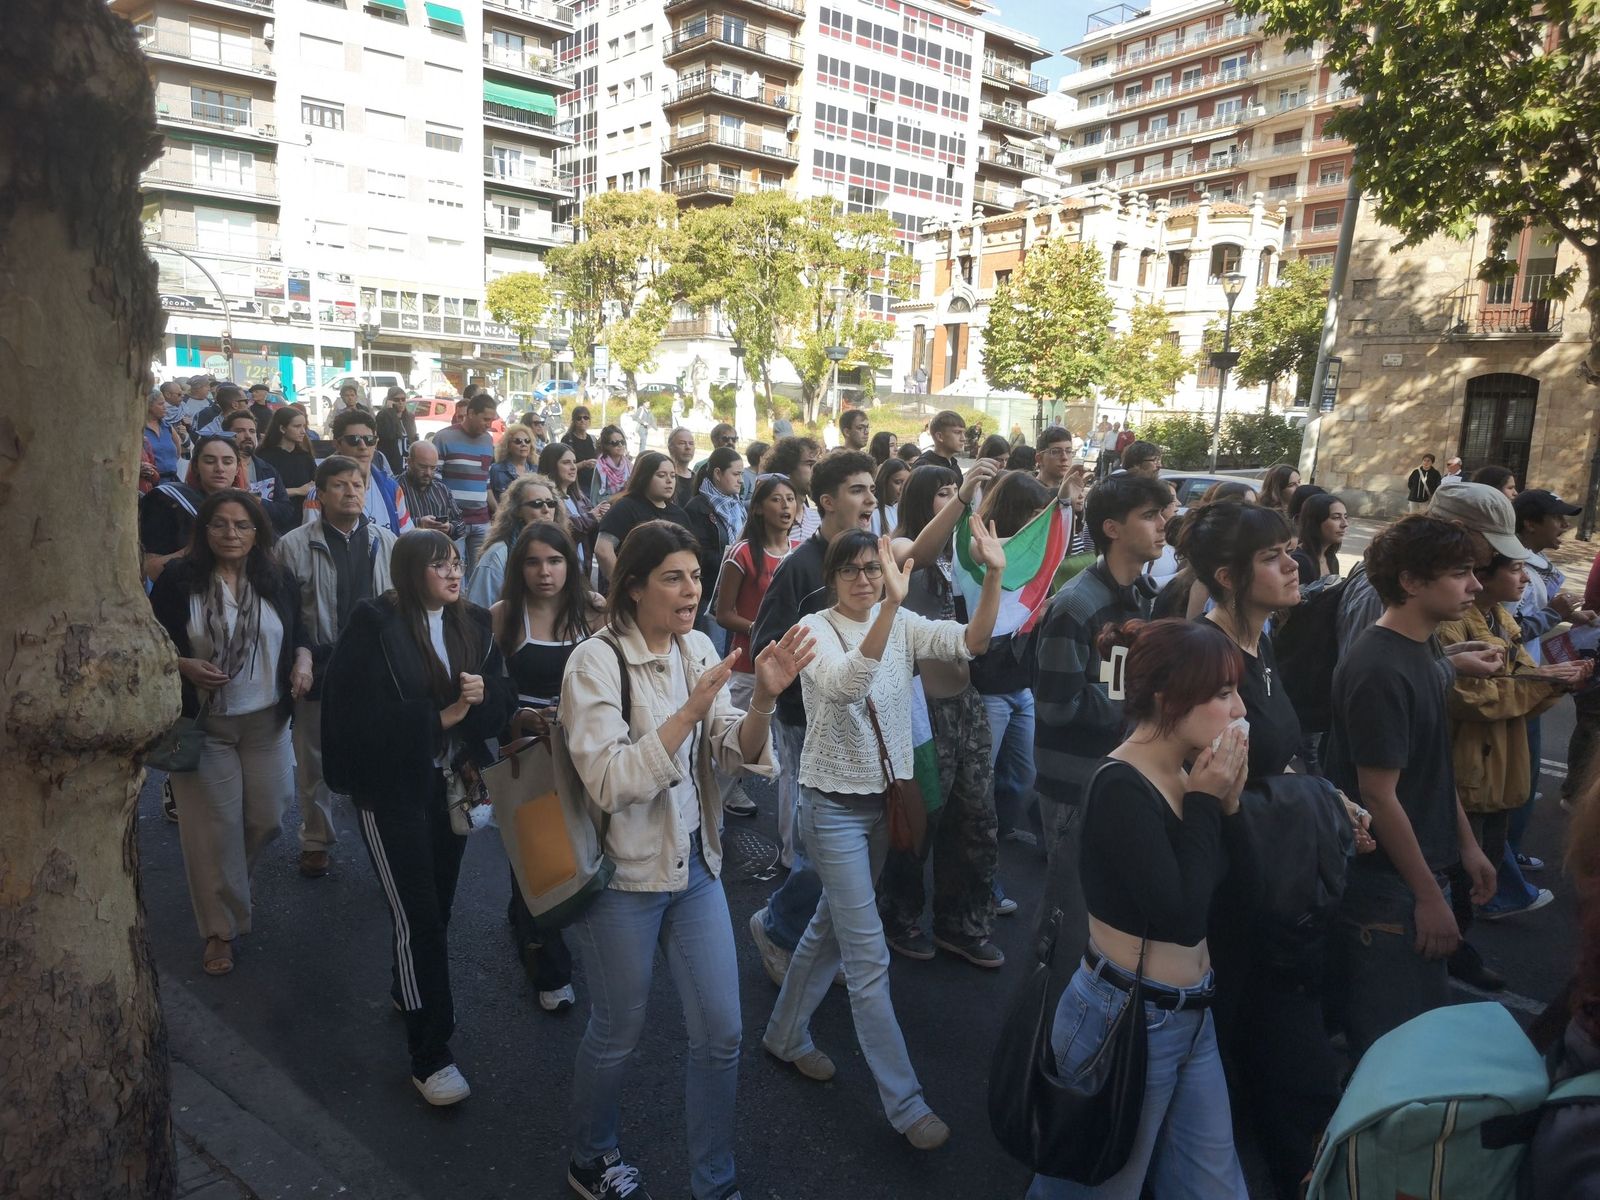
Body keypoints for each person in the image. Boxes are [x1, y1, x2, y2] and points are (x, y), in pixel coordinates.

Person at [558, 521, 811, 1200]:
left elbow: (734, 752)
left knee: (723, 1034)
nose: (691, 589)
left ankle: (715, 1182)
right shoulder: (594, 661)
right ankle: (591, 1156)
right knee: (617, 1032)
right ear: (633, 587)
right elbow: (609, 781)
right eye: (672, 577)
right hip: (622, 877)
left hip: (696, 867)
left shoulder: (698, 645)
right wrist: (690, 710)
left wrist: (761, 698)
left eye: (696, 575)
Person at [763, 524, 1005, 1149]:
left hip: (885, 807)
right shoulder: (813, 630)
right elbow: (847, 685)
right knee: (867, 956)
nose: (866, 580)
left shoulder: (902, 622)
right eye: (853, 571)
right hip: (832, 810)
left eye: (874, 568)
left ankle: (784, 1034)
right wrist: (894, 604)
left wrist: (995, 574)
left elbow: (971, 643)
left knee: (827, 926)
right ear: (832, 578)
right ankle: (906, 1104)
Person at [1025, 619, 1252, 1200]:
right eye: (1223, 694)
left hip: (1190, 1013)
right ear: (1167, 699)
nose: (1239, 710)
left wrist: (1224, 805)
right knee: (1095, 1188)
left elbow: (1240, 882)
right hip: (1123, 1017)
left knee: (1214, 1186)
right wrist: (1206, 803)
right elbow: (1179, 913)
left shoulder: (1187, 769)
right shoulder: (1121, 784)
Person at [1184, 500, 1358, 1198]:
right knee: (1236, 1039)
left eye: (1291, 549)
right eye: (1272, 556)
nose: (1295, 564)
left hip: (1276, 873)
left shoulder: (1262, 641)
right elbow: (1201, 780)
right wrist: (1313, 803)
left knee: (1273, 1044)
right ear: (1228, 576)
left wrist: (1331, 799)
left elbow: (1273, 757)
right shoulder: (1206, 659)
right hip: (1234, 886)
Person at [319, 530, 516, 1105]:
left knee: (439, 907)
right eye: (439, 566)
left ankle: (411, 990)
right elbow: (354, 720)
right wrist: (443, 715)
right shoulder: (373, 627)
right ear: (410, 573)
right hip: (392, 794)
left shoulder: (474, 623)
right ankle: (430, 1054)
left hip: (451, 789)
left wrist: (485, 700)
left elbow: (502, 699)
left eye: (457, 563)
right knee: (419, 920)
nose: (454, 575)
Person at [1326, 515, 1499, 1056]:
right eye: (1459, 573)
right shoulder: (1380, 668)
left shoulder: (1422, 651)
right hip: (1389, 887)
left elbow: (1430, 767)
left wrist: (1466, 845)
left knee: (1418, 1031)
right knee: (1391, 1048)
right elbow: (1379, 794)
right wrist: (1428, 896)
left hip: (1420, 869)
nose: (1474, 585)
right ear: (1410, 581)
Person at [149, 489, 311, 977]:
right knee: (213, 830)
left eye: (242, 525)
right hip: (204, 724)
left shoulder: (275, 576)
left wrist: (303, 660)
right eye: (219, 524)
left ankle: (226, 879)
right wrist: (182, 663)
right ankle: (220, 929)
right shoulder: (180, 579)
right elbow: (148, 640)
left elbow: (299, 633)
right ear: (204, 531)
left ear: (257, 531)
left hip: (268, 721)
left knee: (269, 815)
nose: (231, 534)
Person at [746, 453, 879, 981]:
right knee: (820, 846)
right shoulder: (801, 568)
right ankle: (778, 926)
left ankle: (816, 942)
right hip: (808, 722)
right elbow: (766, 647)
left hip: (857, 720)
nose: (871, 500)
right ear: (826, 502)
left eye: (873, 490)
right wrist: (801, 703)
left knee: (848, 845)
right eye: (857, 491)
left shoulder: (871, 557)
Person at [1032, 473, 1172, 971]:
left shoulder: (1144, 594)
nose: (1163, 526)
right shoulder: (1076, 605)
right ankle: (1044, 1029)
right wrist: (1141, 697)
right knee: (1068, 917)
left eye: (1164, 514)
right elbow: (1055, 707)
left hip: (1119, 775)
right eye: (1151, 516)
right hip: (1075, 782)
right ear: (1112, 528)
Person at [878, 460, 1006, 967]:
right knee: (919, 821)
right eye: (943, 492)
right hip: (920, 714)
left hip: (965, 706)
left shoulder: (962, 558)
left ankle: (963, 923)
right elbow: (922, 550)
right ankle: (899, 917)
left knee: (976, 818)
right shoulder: (898, 548)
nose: (956, 498)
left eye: (957, 491)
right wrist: (964, 497)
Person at [1439, 547, 1584, 987]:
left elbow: (1515, 681)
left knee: (1480, 869)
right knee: (1460, 877)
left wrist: (1551, 681)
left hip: (1499, 772)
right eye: (1517, 568)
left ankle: (1456, 949)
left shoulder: (1500, 620)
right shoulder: (1451, 625)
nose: (1524, 580)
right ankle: (1449, 954)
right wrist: (1547, 683)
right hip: (1471, 775)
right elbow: (1476, 698)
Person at [275, 455, 398, 879]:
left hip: (377, 670)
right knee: (313, 761)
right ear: (320, 493)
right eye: (341, 485)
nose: (351, 492)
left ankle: (387, 839)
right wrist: (298, 657)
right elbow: (285, 615)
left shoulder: (387, 542)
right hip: (319, 666)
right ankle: (316, 840)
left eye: (358, 485)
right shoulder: (292, 545)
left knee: (382, 756)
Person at [492, 523, 595, 1013]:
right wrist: (516, 716)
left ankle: (526, 920)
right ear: (519, 568)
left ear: (569, 564)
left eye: (554, 561)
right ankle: (548, 968)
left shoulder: (591, 613)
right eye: (533, 562)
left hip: (585, 749)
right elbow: (486, 690)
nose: (544, 572)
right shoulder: (503, 618)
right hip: (527, 751)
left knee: (581, 845)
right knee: (538, 854)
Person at [715, 473, 801, 725]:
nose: (786, 505)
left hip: (792, 668)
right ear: (759, 509)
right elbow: (724, 614)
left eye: (790, 499)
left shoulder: (801, 550)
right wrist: (760, 629)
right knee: (744, 746)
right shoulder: (742, 553)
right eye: (776, 499)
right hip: (748, 668)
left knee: (785, 749)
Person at [141, 433, 247, 582]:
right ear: (196, 466)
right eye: (210, 461)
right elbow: (149, 570)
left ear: (237, 469)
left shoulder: (247, 507)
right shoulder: (168, 500)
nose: (219, 468)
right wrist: (196, 548)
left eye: (228, 462)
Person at [468, 472, 571, 608]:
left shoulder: (563, 547)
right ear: (517, 510)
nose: (546, 510)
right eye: (536, 504)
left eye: (551, 503)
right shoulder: (498, 555)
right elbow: (477, 611)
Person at [303, 409, 412, 536]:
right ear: (337, 444)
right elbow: (310, 543)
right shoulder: (320, 493)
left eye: (369, 439)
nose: (363, 446)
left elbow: (406, 538)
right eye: (353, 440)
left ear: (376, 443)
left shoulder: (392, 488)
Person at [594, 451, 692, 587]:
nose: (669, 480)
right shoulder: (625, 507)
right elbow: (603, 550)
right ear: (645, 478)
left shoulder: (680, 515)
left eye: (673, 476)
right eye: (661, 475)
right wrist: (624, 587)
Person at [432, 393, 498, 573]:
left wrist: (497, 510)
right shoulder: (443, 438)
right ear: (470, 413)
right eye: (485, 419)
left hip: (481, 520)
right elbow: (435, 482)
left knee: (480, 573)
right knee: (453, 574)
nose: (489, 425)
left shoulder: (487, 440)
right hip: (454, 521)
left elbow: (486, 480)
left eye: (491, 420)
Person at [682, 447, 746, 629]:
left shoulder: (737, 506)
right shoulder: (698, 508)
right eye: (736, 474)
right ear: (718, 473)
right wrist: (736, 560)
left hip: (734, 593)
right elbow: (698, 554)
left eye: (741, 474)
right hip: (708, 596)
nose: (741, 480)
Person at [221, 409, 293, 532]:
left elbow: (286, 511)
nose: (248, 436)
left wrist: (258, 502)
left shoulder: (268, 470)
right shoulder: (219, 469)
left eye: (252, 431)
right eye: (240, 431)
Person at [540, 440, 607, 565]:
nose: (573, 467)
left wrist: (603, 516)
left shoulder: (579, 497)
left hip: (583, 570)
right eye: (566, 462)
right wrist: (591, 517)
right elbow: (562, 532)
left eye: (574, 462)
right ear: (552, 466)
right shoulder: (546, 501)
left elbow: (591, 535)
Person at [259, 406, 317, 521]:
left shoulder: (305, 457)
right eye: (297, 426)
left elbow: (315, 485)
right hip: (273, 519)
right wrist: (298, 490)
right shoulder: (263, 457)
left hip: (303, 519)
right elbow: (261, 494)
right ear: (282, 428)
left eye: (304, 426)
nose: (303, 431)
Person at [759, 436, 821, 538]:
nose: (816, 470)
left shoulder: (819, 521)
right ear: (788, 467)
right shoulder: (767, 521)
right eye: (810, 464)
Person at [1291, 491, 1348, 584]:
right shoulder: (1299, 561)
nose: (1345, 524)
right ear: (1315, 522)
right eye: (1336, 517)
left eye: (1345, 517)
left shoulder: (1332, 559)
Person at [487, 423, 539, 517]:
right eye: (518, 441)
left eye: (527, 441)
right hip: (507, 522)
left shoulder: (536, 469)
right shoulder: (496, 469)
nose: (523, 444)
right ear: (508, 446)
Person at [375, 386, 417, 476]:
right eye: (397, 400)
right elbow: (389, 435)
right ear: (390, 401)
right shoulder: (383, 416)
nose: (401, 402)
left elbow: (413, 438)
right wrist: (390, 411)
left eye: (403, 399)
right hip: (392, 462)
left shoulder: (409, 417)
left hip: (406, 462)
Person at [143, 387, 181, 484]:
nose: (165, 407)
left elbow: (178, 450)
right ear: (148, 406)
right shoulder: (139, 429)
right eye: (160, 404)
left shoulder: (167, 427)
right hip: (150, 482)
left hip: (172, 481)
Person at [914, 410, 966, 479]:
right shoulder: (924, 467)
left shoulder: (953, 464)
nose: (963, 438)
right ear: (940, 436)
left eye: (963, 433)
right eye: (957, 432)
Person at [871, 457, 909, 537]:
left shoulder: (903, 509)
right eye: (898, 482)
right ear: (884, 481)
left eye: (906, 483)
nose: (903, 487)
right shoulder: (873, 512)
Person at [593, 424, 633, 498]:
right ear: (606, 446)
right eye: (615, 443)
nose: (620, 445)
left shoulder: (629, 465)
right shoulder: (600, 468)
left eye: (622, 442)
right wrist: (624, 492)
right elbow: (597, 499)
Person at [667, 426, 698, 509]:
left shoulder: (697, 479)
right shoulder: (665, 478)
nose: (688, 447)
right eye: (682, 443)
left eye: (691, 443)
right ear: (670, 447)